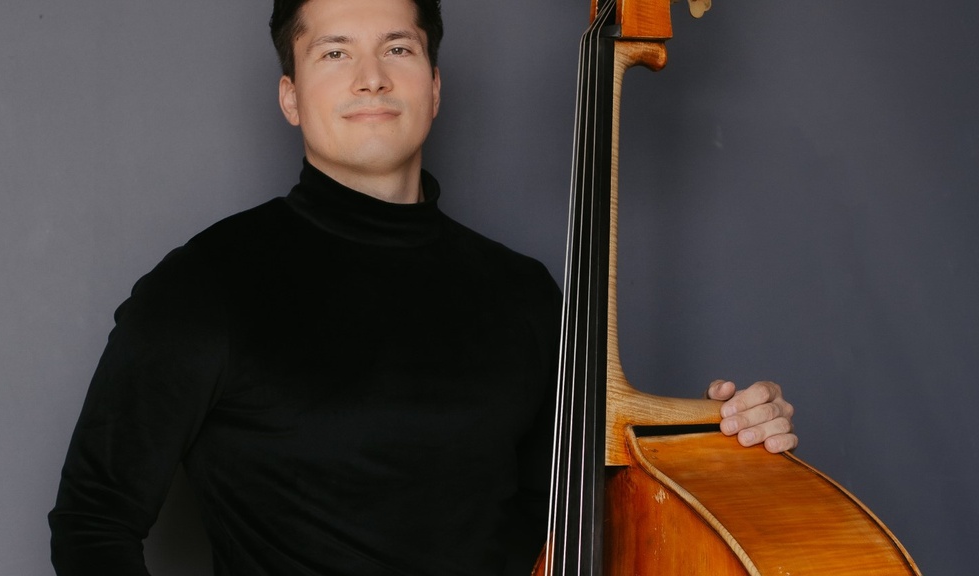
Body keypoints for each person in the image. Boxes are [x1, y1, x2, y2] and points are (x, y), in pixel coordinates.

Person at [48, 0, 797, 574]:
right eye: (334, 52)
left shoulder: (524, 296)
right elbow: (93, 520)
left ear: (434, 88)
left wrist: (724, 441)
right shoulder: (203, 288)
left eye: (398, 48)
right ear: (290, 95)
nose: (370, 76)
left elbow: (587, 505)